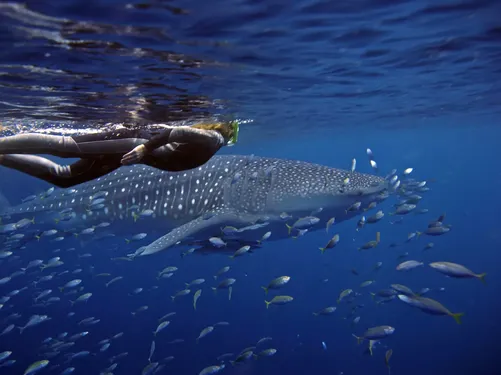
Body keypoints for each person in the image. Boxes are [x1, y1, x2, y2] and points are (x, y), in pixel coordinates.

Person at [0, 121, 239, 188]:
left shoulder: (212, 141)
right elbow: (173, 131)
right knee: (65, 146)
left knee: (65, 177)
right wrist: (144, 149)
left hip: (128, 153)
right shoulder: (212, 139)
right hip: (134, 145)